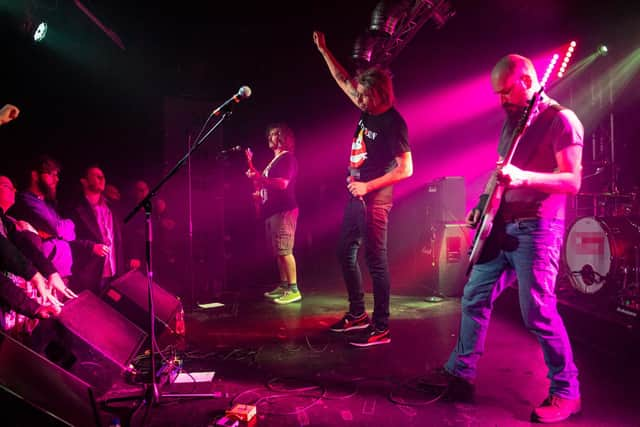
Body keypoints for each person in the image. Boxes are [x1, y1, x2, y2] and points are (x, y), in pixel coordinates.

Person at [442, 54, 583, 423]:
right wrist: (481, 205)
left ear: (525, 80)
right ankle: (460, 373)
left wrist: (523, 178)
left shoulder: (561, 120)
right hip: (501, 226)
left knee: (538, 311)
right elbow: (499, 172)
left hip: (538, 229)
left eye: (505, 92)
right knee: (473, 296)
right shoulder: (513, 123)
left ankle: (567, 391)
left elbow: (572, 181)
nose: (500, 99)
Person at [313, 31, 413, 347]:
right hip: (357, 195)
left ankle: (381, 326)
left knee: (376, 260)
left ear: (380, 94)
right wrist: (324, 50)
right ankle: (358, 314)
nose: (359, 100)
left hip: (375, 198)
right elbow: (344, 80)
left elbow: (407, 169)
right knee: (345, 252)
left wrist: (367, 185)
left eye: (365, 96)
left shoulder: (394, 123)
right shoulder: (367, 108)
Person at [246, 123, 300, 305]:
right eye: (270, 134)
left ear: (285, 138)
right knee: (279, 251)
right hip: (273, 210)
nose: (271, 137)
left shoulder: (287, 159)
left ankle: (294, 289)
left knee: (285, 250)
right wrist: (252, 165)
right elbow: (262, 180)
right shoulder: (274, 160)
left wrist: (259, 178)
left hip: (284, 209)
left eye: (276, 134)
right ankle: (284, 286)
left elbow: (282, 184)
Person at [9, 156, 77, 283]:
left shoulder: (46, 203)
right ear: (35, 175)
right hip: (45, 276)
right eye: (51, 174)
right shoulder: (26, 199)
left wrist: (64, 227)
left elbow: (70, 236)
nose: (56, 179)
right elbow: (57, 229)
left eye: (56, 175)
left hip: (59, 274)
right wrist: (70, 223)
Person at [68, 166, 130, 295]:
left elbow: (120, 239)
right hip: (91, 274)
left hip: (114, 273)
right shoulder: (75, 209)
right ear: (84, 181)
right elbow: (68, 239)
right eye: (96, 176)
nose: (102, 179)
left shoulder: (111, 207)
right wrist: (91, 247)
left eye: (102, 176)